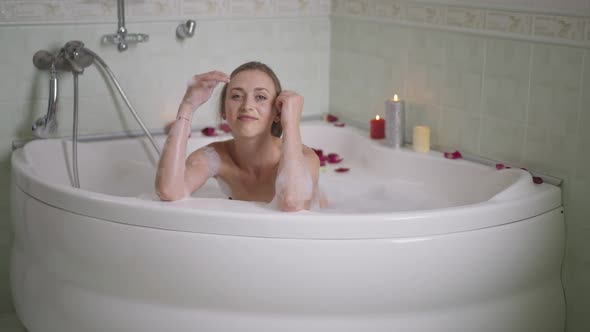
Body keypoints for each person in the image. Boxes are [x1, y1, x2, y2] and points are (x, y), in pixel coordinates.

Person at [155, 61, 321, 212]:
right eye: (236, 96)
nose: (247, 106)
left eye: (260, 97)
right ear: (223, 111)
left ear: (277, 112)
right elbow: (169, 191)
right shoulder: (215, 156)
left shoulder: (305, 158)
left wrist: (290, 123)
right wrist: (188, 106)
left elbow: (293, 203)